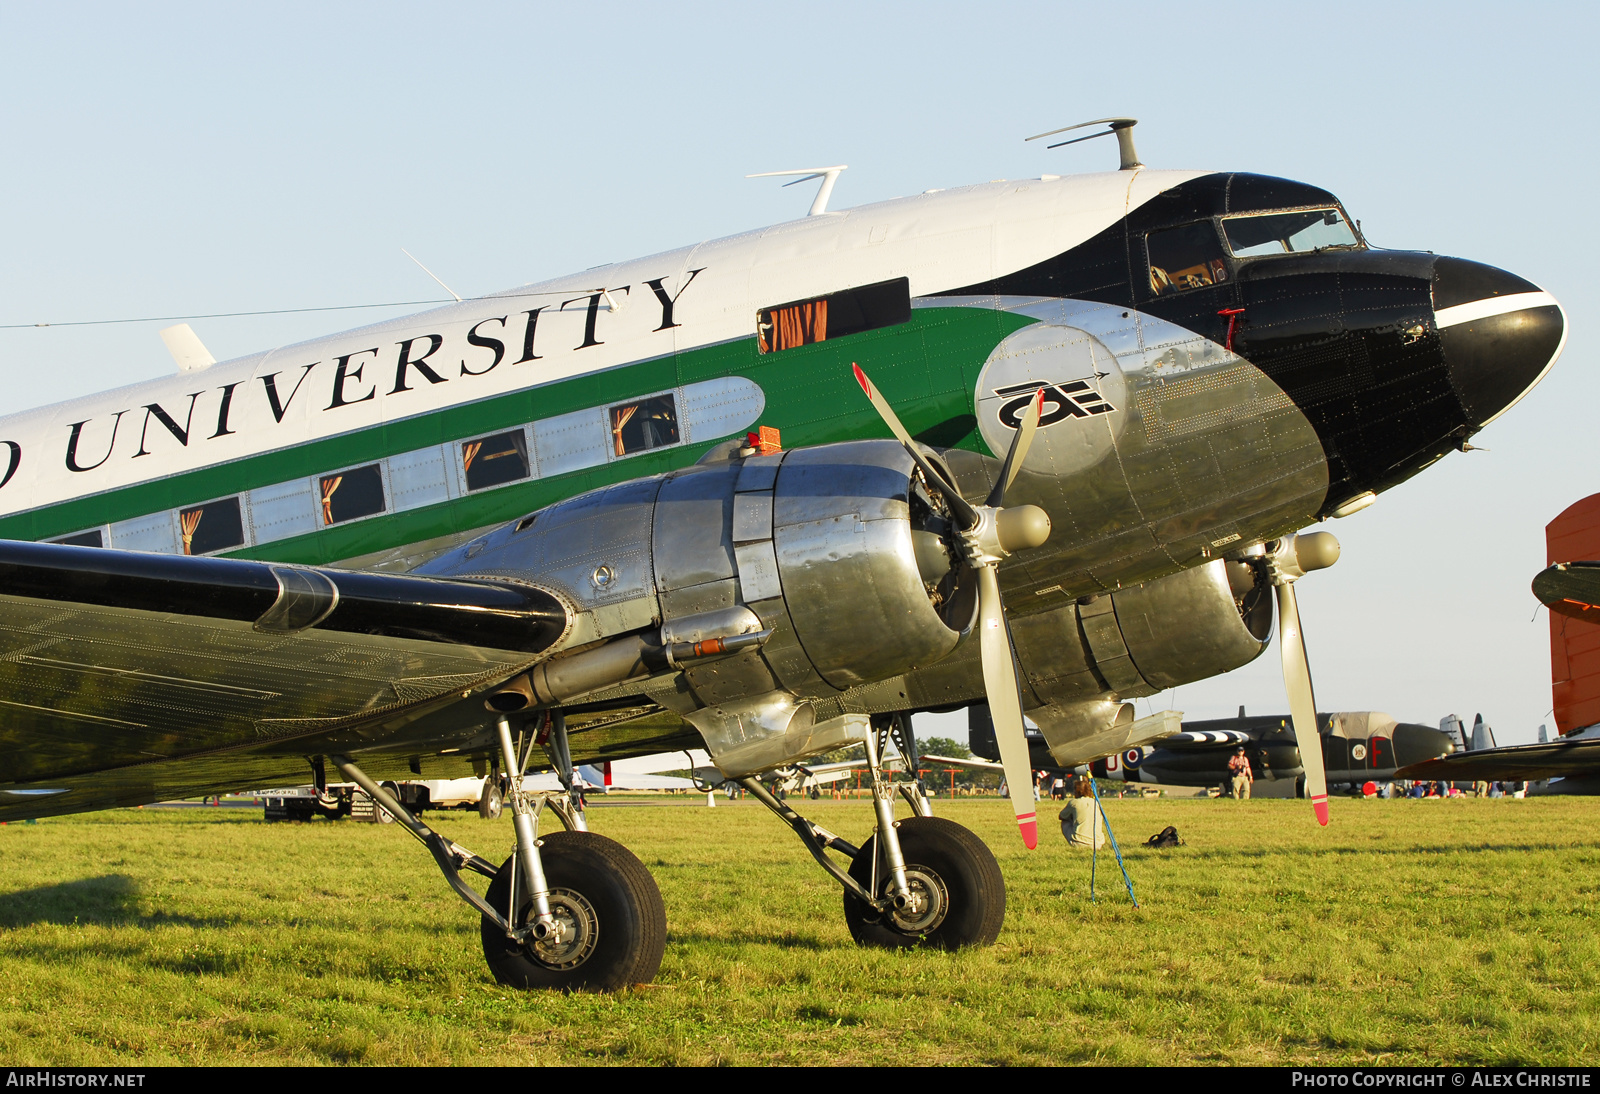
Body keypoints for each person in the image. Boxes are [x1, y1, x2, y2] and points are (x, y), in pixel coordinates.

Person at [1059, 778, 1106, 849]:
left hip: (1079, 842)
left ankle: (1074, 844)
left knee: (1065, 821)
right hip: (1098, 843)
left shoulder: (1074, 803)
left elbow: (1061, 816)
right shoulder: (1097, 803)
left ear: (1077, 791)